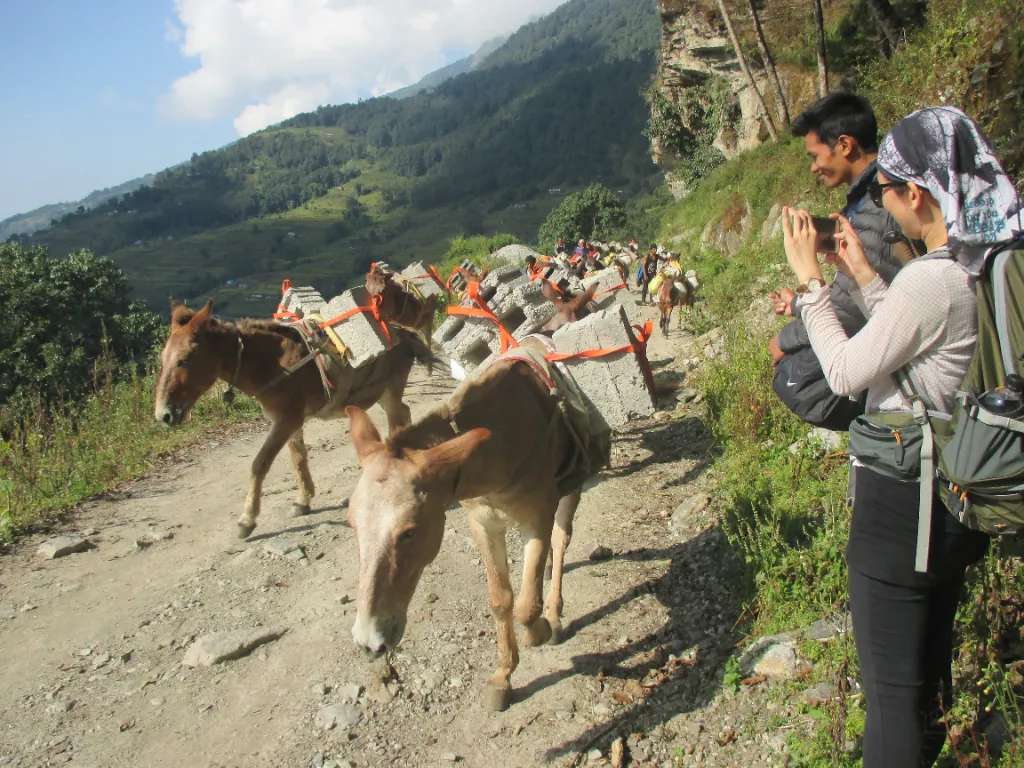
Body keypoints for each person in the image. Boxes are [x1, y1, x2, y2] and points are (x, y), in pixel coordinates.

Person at [781, 106, 1021, 767]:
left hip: (902, 506)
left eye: (887, 186)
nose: (883, 199)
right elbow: (921, 357)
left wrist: (809, 284)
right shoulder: (978, 261)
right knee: (926, 674)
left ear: (917, 192)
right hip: (952, 497)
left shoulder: (932, 277)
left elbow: (847, 369)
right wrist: (861, 275)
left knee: (890, 699)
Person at [768, 93, 908, 367]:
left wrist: (785, 339)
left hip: (891, 347)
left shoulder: (877, 205)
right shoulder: (867, 198)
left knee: (795, 375)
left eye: (815, 156)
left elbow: (854, 307)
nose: (813, 168)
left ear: (844, 145)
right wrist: (798, 304)